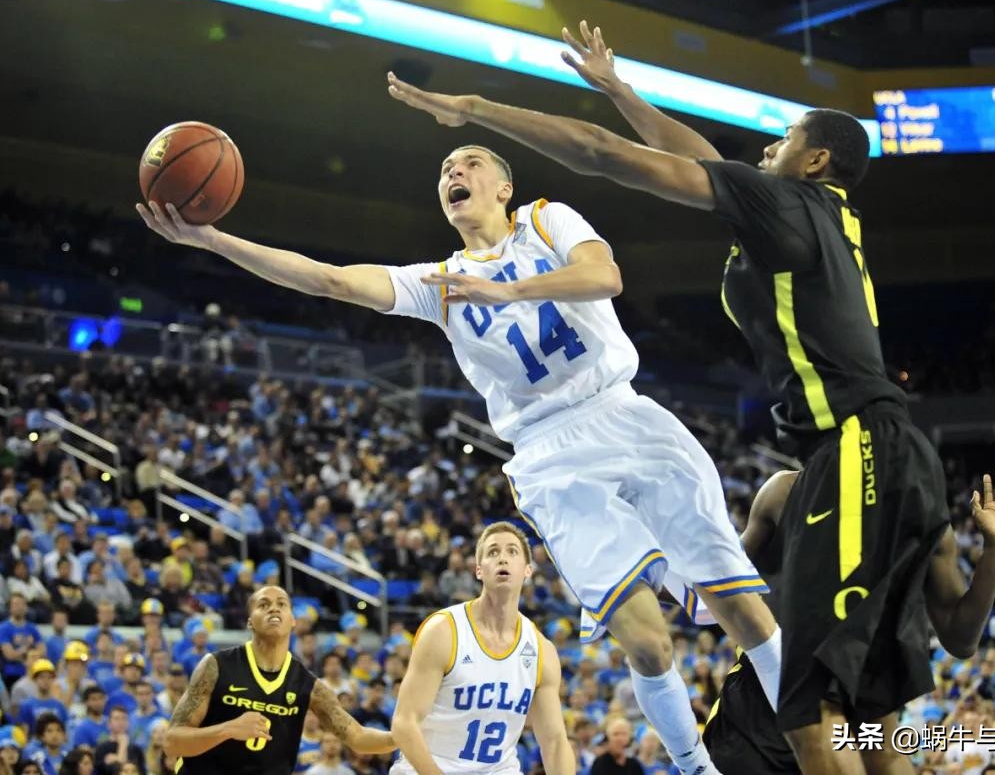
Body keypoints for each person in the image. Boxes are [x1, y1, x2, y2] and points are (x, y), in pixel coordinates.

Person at [385, 22, 956, 774]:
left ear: (814, 160)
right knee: (861, 706)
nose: (764, 151)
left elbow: (604, 156)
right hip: (863, 446)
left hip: (857, 447)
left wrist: (474, 106)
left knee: (811, 693)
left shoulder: (784, 207)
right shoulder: (802, 213)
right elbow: (699, 157)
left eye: (780, 140)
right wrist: (621, 88)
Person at [138, 131, 783, 775]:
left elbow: (605, 276)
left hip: (625, 412)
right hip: (547, 454)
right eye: (445, 166)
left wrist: (509, 292)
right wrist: (214, 241)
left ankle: (820, 728)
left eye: (468, 162)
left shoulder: (545, 219)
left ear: (503, 187)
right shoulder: (439, 283)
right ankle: (696, 766)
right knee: (647, 644)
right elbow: (331, 280)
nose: (452, 169)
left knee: (743, 609)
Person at [703, 467, 995, 775]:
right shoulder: (786, 492)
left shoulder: (923, 518)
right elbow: (718, 583)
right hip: (758, 710)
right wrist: (656, 575)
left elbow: (962, 640)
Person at [390, 522, 573, 775]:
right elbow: (404, 722)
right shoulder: (444, 631)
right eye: (493, 552)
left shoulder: (542, 649)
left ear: (528, 570)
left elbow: (554, 742)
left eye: (512, 552)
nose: (503, 559)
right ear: (478, 570)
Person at [161, 585, 394, 774]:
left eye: (281, 604)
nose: (274, 609)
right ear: (250, 621)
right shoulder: (216, 666)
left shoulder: (308, 685)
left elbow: (357, 736)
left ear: (292, 619)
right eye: (264, 605)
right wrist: (228, 729)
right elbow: (172, 742)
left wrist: (401, 738)